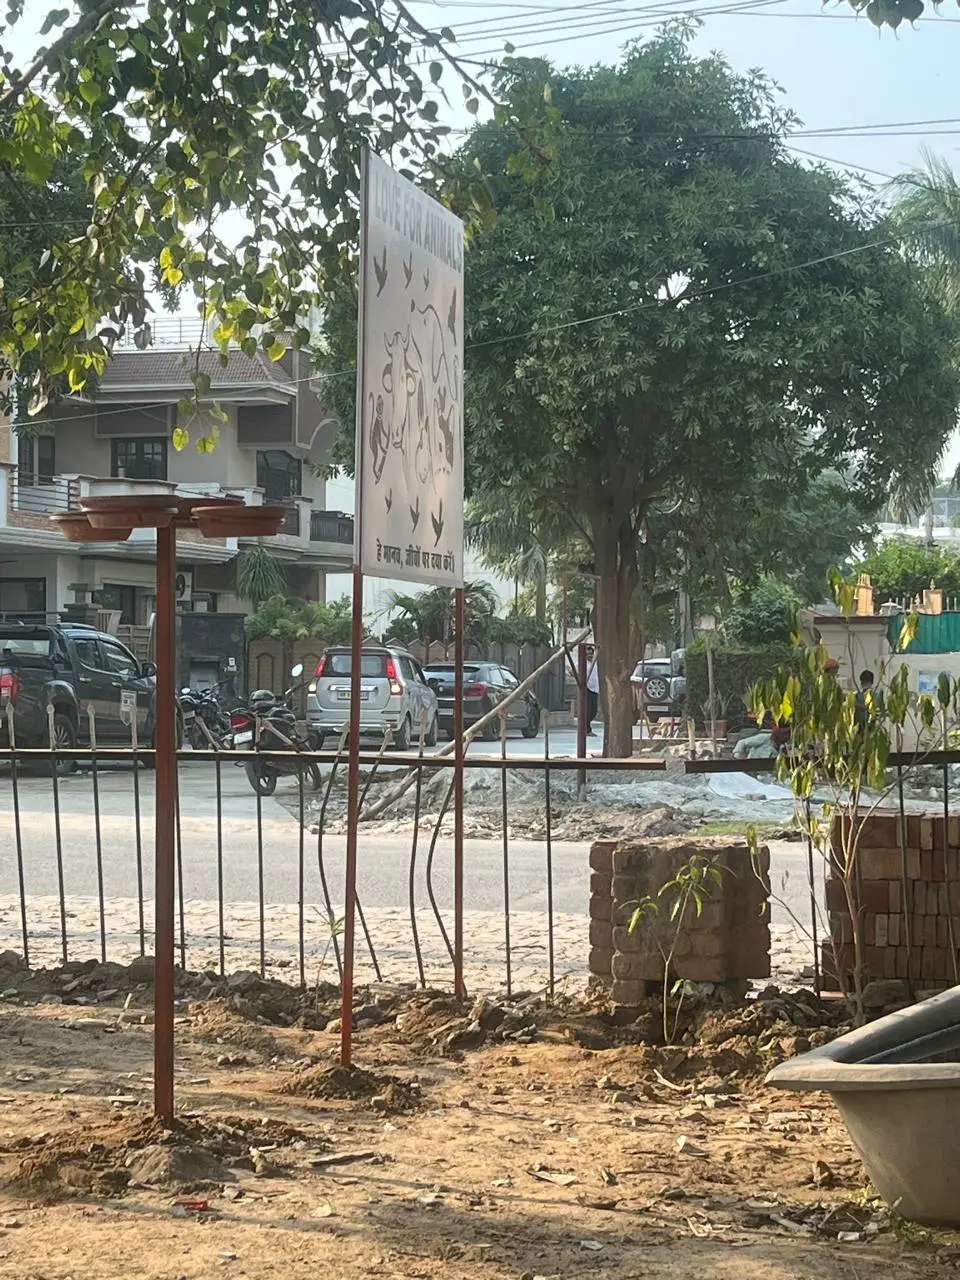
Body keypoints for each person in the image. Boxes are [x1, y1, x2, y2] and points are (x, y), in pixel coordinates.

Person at [585, 644, 600, 736]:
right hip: (587, 689)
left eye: (591, 654)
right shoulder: (582, 664)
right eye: (588, 654)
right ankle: (586, 729)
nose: (590, 656)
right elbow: (571, 671)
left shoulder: (595, 664)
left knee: (594, 711)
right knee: (588, 711)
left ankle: (587, 728)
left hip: (595, 689)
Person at [856, 668, 875, 733]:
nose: (864, 684)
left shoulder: (875, 696)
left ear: (871, 683)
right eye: (862, 682)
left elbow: (875, 711)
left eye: (866, 682)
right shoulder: (857, 695)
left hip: (870, 724)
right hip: (858, 725)